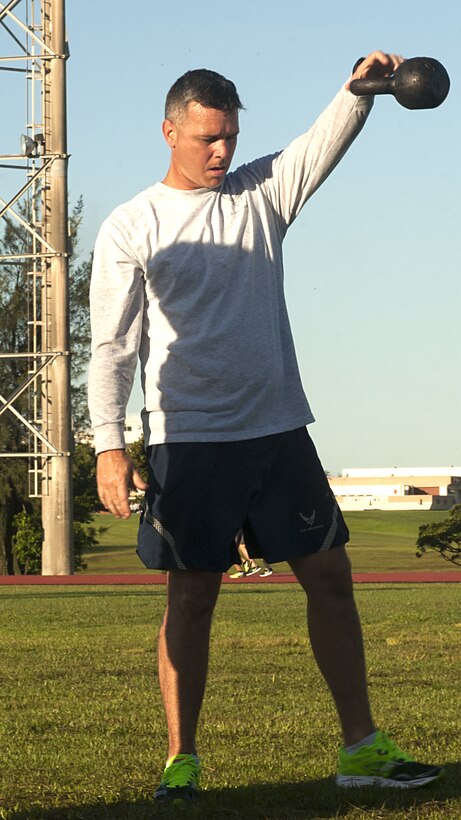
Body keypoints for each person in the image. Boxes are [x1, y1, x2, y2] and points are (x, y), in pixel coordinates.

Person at [88, 53, 444, 805]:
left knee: (330, 578)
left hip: (278, 431)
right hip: (189, 440)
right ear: (169, 132)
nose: (220, 152)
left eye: (229, 137)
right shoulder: (132, 224)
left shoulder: (259, 195)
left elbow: (318, 144)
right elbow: (112, 346)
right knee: (191, 597)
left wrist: (356, 93)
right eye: (206, 139)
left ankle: (362, 749)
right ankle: (180, 762)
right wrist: (109, 446)